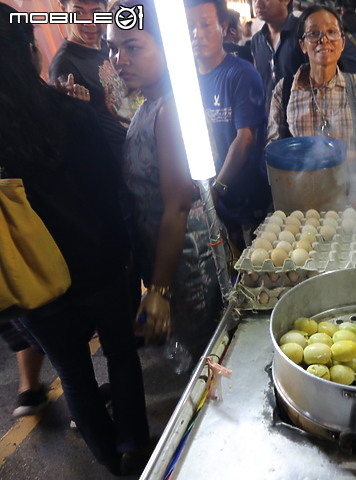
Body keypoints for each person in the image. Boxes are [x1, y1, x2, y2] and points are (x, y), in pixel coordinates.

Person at [0, 3, 150, 474]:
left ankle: (109, 460)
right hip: (99, 265)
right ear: (31, 53)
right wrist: (129, 252)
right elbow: (112, 189)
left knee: (76, 380)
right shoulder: (69, 111)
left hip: (34, 284)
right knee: (122, 355)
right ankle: (134, 447)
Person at [108, 0, 222, 356]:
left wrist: (158, 291)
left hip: (186, 265)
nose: (119, 59)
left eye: (133, 47)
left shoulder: (171, 110)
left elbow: (177, 205)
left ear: (165, 47)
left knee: (206, 361)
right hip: (167, 260)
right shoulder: (149, 104)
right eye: (113, 48)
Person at [266, 5, 356, 203]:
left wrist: (353, 156)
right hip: (300, 198)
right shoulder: (284, 89)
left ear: (342, 43)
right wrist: (298, 162)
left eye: (331, 32)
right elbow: (272, 147)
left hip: (350, 196)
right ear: (303, 45)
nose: (323, 40)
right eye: (314, 33)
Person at [186, 0, 272, 252]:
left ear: (223, 28)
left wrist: (217, 189)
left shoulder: (241, 74)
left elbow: (245, 139)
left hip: (243, 199)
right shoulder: (184, 78)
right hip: (207, 201)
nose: (196, 33)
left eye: (204, 24)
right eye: (190, 26)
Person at [49, 0, 133, 162]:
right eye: (79, 12)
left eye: (96, 12)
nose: (90, 21)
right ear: (63, 10)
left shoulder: (110, 46)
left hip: (140, 146)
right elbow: (72, 136)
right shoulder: (64, 65)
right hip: (116, 161)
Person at [251, 0, 306, 111]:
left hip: (301, 117)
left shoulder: (303, 31)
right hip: (270, 120)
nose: (257, 4)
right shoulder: (257, 40)